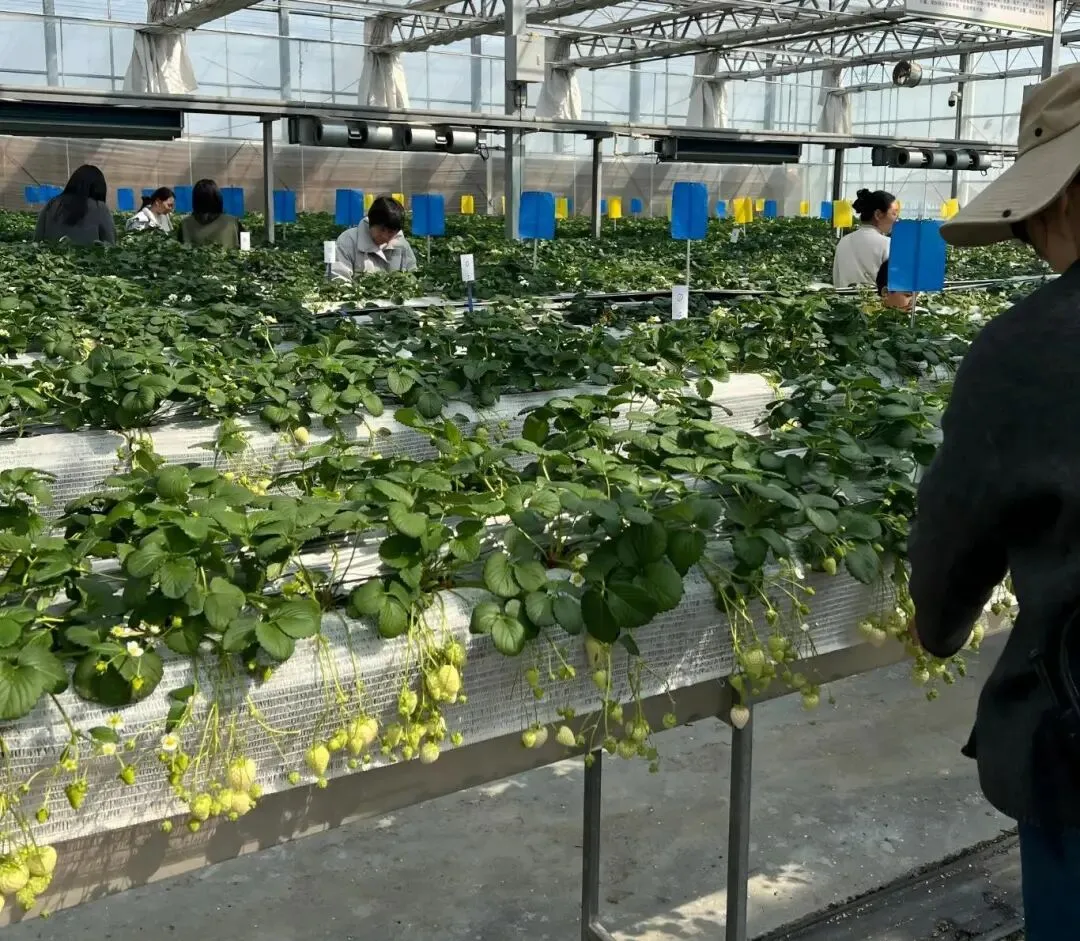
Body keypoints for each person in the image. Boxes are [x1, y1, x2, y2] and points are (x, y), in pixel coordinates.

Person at [908, 63, 1080, 940]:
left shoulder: (1033, 348)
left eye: (1030, 218)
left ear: (1066, 195)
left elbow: (956, 531)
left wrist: (938, 624)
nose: (1031, 241)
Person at [330, 195, 417, 280]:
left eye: (390, 232)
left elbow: (412, 275)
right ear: (371, 223)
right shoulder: (348, 241)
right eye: (381, 230)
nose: (385, 236)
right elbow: (339, 278)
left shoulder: (401, 244)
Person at [34, 164, 115, 247]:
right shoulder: (99, 207)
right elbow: (110, 245)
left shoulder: (52, 204)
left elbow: (37, 239)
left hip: (53, 254)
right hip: (88, 255)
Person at [831, 188, 899, 287]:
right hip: (876, 297)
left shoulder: (843, 241)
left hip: (843, 297)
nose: (896, 219)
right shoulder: (888, 244)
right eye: (894, 213)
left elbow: (837, 280)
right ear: (878, 214)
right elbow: (894, 284)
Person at [177, 179, 241, 248]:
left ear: (195, 200)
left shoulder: (185, 224)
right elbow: (245, 247)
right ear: (218, 198)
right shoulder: (233, 222)